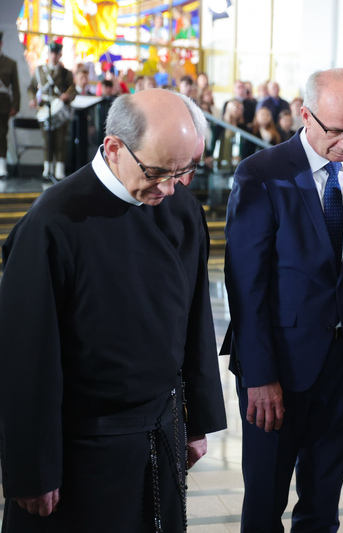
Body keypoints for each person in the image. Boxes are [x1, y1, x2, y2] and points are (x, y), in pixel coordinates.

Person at [0, 89, 227, 531]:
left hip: (160, 430)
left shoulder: (181, 207)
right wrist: (32, 468)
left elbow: (196, 318)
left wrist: (197, 421)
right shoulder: (52, 223)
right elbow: (26, 358)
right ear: (114, 148)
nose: (169, 188)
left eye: (184, 171)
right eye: (157, 172)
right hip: (84, 444)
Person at [222, 67, 343, 531]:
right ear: (305, 115)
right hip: (277, 364)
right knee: (265, 501)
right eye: (337, 131)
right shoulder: (262, 174)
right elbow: (245, 286)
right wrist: (260, 377)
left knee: (323, 501)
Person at [27, 42, 75, 180]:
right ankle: (47, 169)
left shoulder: (66, 73)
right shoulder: (39, 71)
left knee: (60, 141)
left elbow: (73, 90)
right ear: (48, 54)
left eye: (56, 53)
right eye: (51, 53)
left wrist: (67, 96)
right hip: (44, 108)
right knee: (46, 140)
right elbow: (31, 88)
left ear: (60, 55)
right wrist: (32, 99)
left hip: (59, 109)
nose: (54, 56)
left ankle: (59, 170)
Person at [0, 31, 21, 178]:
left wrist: (15, 106)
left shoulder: (10, 63)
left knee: (1, 135)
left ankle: (1, 165)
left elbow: (16, 88)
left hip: (3, 105)